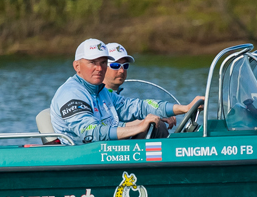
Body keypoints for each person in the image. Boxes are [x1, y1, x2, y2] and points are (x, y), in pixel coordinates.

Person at [51, 38, 204, 144]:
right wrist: (138, 127)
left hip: (105, 154)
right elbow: (90, 132)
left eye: (103, 62)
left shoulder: (102, 91)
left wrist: (184, 108)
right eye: (92, 62)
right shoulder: (71, 94)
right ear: (77, 66)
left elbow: (139, 106)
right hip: (83, 157)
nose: (99, 68)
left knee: (156, 128)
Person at [105, 42, 177, 127]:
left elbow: (135, 111)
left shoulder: (121, 101)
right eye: (115, 65)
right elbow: (107, 127)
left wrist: (158, 115)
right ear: (102, 67)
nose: (122, 70)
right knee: (158, 126)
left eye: (125, 66)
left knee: (158, 125)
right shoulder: (95, 97)